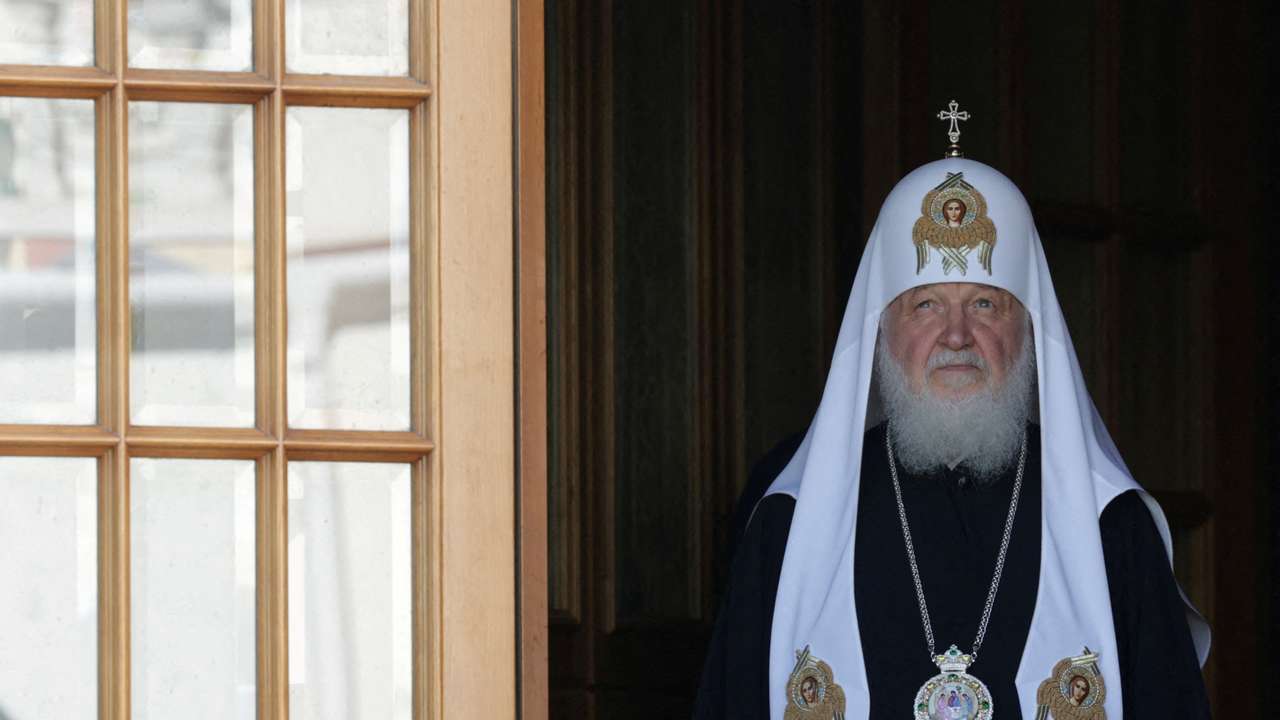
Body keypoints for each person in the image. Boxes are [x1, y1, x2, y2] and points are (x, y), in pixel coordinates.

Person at [693, 154, 1210, 720]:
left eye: (985, 305)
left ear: (1030, 331)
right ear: (882, 330)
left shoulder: (1110, 524)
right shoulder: (792, 518)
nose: (957, 336)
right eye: (926, 306)